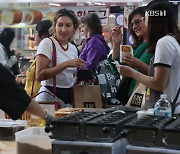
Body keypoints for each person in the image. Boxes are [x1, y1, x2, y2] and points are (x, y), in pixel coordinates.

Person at [116, 0, 180, 114]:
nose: (144, 23)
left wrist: (131, 72)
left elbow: (158, 83)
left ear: (154, 20)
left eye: (145, 19)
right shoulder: (172, 41)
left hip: (167, 111)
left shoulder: (164, 43)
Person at [35, 8, 86, 105]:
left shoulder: (72, 48)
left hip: (68, 98)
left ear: (73, 28)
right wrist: (66, 64)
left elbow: (69, 76)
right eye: (60, 25)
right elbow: (39, 75)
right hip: (49, 98)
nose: (63, 30)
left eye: (68, 25)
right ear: (54, 26)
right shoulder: (47, 43)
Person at [109, 7, 153, 104]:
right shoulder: (136, 47)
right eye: (132, 24)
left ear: (149, 19)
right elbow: (118, 68)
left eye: (137, 22)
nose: (134, 26)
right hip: (132, 95)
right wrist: (116, 44)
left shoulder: (159, 45)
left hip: (147, 96)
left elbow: (157, 75)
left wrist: (137, 64)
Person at [25, 20, 52, 97]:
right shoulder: (40, 53)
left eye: (36, 32)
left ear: (44, 36)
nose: (34, 35)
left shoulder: (46, 54)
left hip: (39, 99)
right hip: (31, 98)